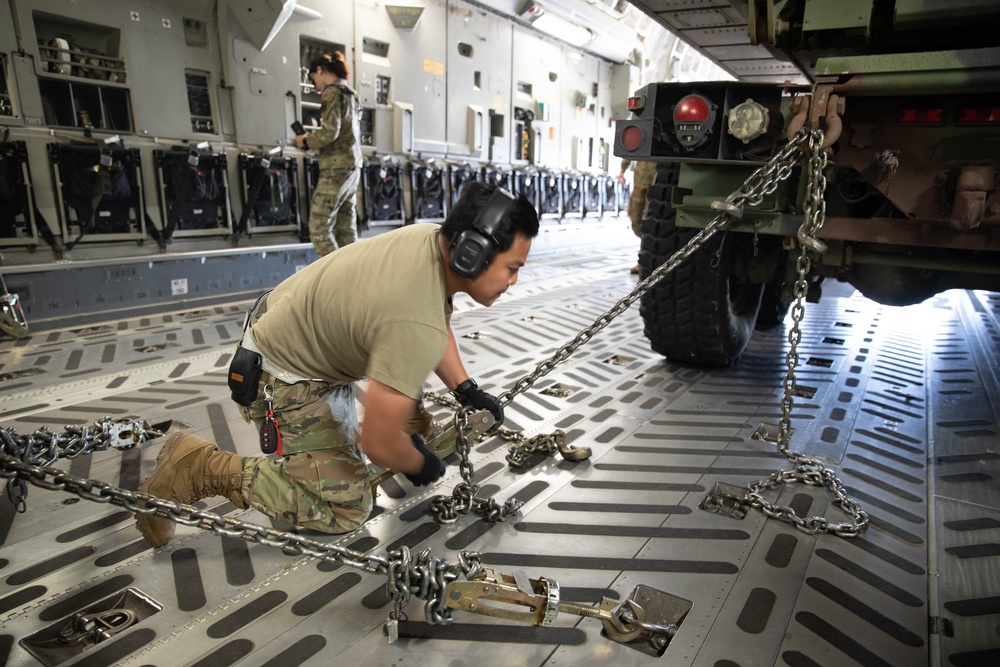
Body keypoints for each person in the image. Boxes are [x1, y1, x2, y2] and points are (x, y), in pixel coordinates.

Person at [134, 182, 540, 547]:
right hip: (281, 378)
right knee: (346, 508)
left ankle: (394, 430)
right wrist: (417, 463)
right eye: (512, 267)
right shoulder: (413, 319)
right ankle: (197, 466)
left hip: (291, 333)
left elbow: (438, 319)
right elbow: (376, 442)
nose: (514, 280)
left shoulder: (431, 242)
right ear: (472, 254)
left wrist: (464, 389)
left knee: (404, 378)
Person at [296, 52, 363, 257]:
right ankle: (357, 278)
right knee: (346, 229)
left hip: (336, 168)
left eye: (313, 77)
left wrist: (305, 141)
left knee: (319, 227)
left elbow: (329, 132)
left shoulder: (331, 93)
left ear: (320, 70)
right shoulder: (351, 93)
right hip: (353, 166)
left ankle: (337, 279)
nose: (314, 84)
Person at [617, 158, 656, 274]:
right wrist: (623, 169)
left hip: (657, 186)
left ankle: (645, 260)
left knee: (651, 222)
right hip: (639, 185)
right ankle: (646, 255)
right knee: (635, 219)